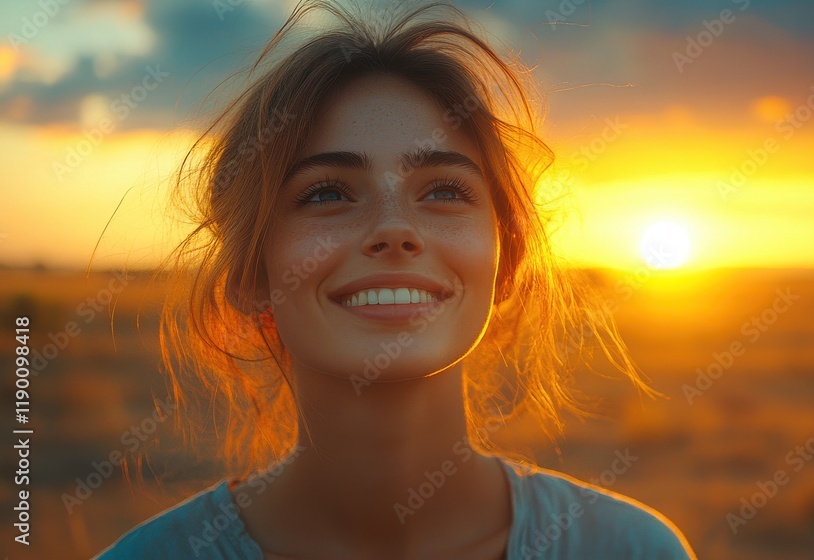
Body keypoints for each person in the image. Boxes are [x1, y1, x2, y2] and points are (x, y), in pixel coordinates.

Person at [95, 1, 696, 558]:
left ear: (506, 258)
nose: (394, 230)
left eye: (443, 190)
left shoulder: (631, 549)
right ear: (250, 272)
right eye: (327, 192)